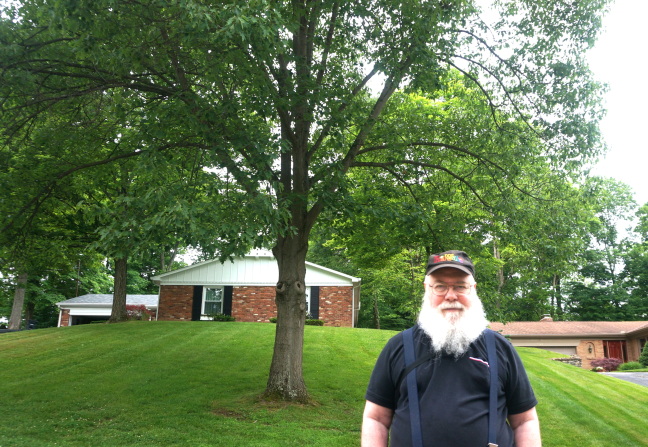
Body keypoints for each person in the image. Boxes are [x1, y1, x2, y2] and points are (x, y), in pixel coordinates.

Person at [362, 250, 541, 447]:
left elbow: (525, 421)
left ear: (473, 289)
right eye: (440, 286)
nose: (450, 295)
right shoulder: (399, 347)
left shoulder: (499, 348)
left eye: (460, 286)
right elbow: (376, 419)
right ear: (427, 289)